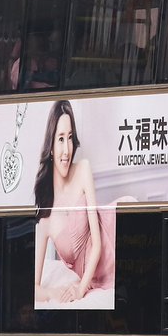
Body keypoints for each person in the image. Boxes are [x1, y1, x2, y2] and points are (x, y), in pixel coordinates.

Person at [34, 100, 115, 305]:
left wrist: (80, 289)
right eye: (60, 139)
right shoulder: (45, 217)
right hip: (97, 275)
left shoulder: (83, 170)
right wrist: (52, 293)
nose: (67, 149)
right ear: (50, 147)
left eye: (70, 138)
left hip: (113, 237)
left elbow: (97, 244)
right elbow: (33, 288)